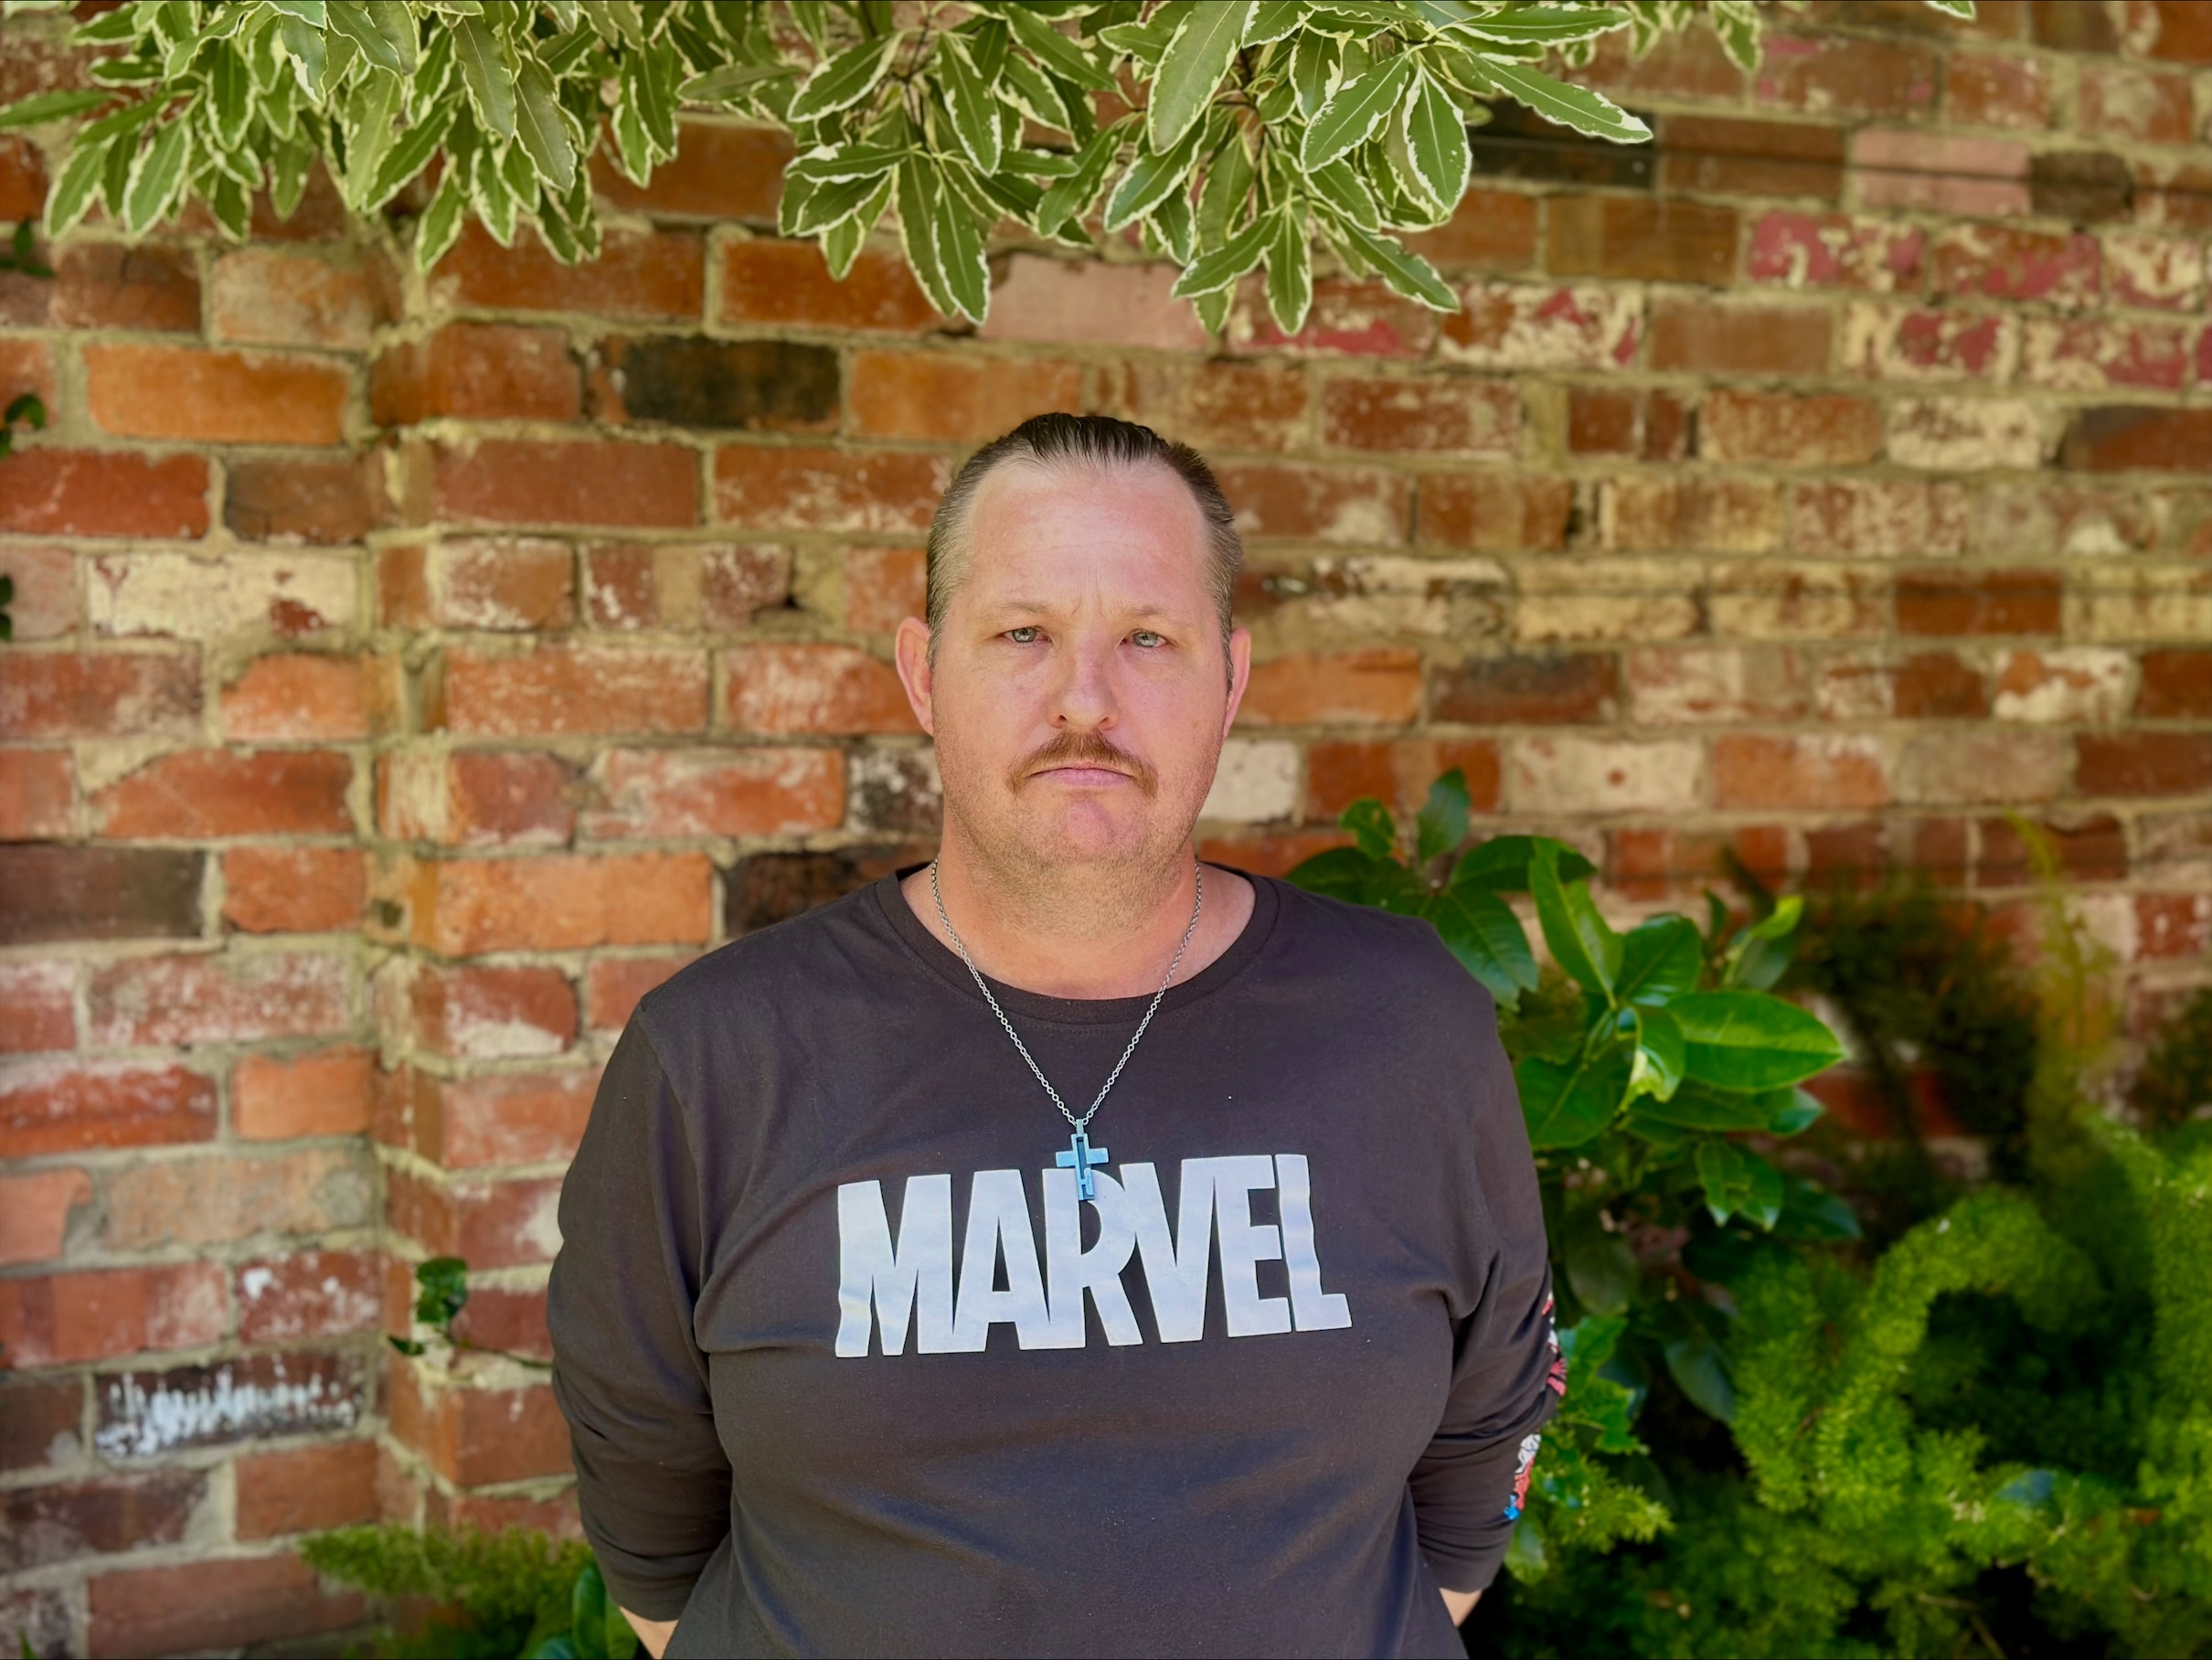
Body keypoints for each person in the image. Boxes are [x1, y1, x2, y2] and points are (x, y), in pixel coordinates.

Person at [548, 413, 1562, 1659]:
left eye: (1149, 638)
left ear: (1230, 682)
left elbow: (1478, 1464)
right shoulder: (717, 1060)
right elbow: (652, 1531)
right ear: (925, 674)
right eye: (1023, 633)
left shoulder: (1410, 1027)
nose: (1087, 701)